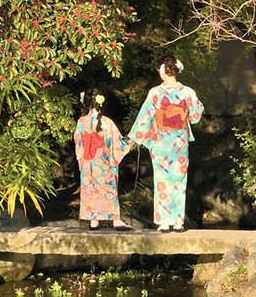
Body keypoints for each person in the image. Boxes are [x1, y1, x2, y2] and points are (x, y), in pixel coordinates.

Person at [130, 56, 205, 232]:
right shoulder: (188, 92)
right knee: (179, 181)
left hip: (161, 141)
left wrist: (136, 138)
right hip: (179, 141)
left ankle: (164, 222)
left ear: (163, 70)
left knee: (162, 180)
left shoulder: (155, 93)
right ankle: (178, 222)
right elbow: (195, 116)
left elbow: (144, 117)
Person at [75, 91, 132, 230]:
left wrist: (80, 160)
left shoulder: (82, 122)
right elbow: (118, 142)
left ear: (87, 103)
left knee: (90, 189)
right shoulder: (107, 122)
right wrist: (131, 141)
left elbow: (79, 143)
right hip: (104, 160)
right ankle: (115, 220)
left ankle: (94, 221)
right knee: (108, 189)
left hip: (88, 161)